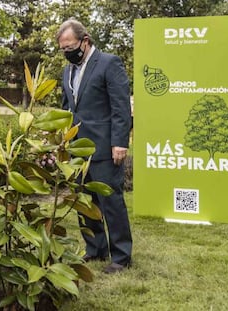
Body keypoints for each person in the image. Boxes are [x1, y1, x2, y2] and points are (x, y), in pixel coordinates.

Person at [56, 18, 133, 274]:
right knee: (85, 202)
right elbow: (68, 107)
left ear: (84, 41)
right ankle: (95, 248)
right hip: (77, 149)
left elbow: (121, 107)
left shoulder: (109, 63)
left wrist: (120, 142)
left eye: (70, 47)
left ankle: (121, 256)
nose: (67, 52)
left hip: (105, 147)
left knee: (111, 201)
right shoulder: (67, 71)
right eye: (62, 49)